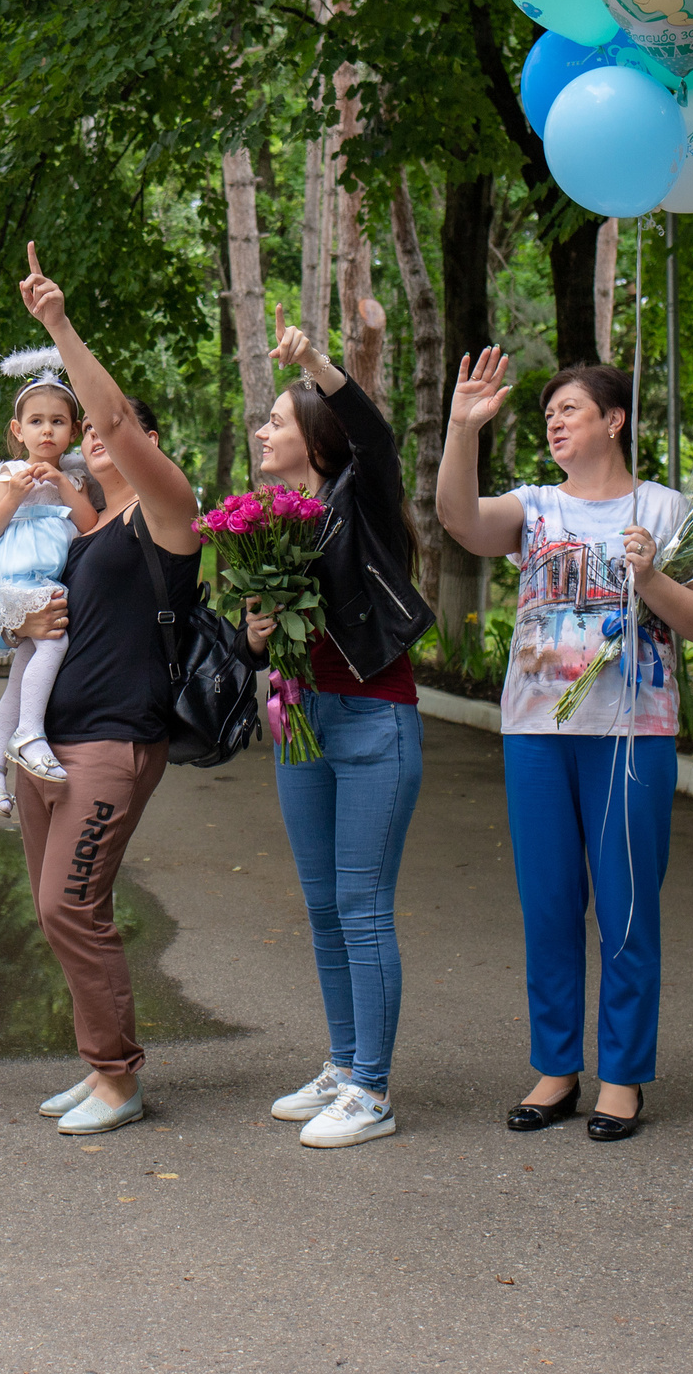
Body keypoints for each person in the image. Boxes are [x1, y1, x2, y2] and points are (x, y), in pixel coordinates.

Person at [435, 349, 693, 1142]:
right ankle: (556, 1068)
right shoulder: (533, 508)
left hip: (633, 734)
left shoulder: (666, 512)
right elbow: (459, 520)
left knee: (628, 908)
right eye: (547, 415)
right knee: (550, 906)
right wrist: (463, 430)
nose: (555, 423)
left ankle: (623, 1076)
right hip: (538, 731)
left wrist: (653, 580)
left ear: (614, 418)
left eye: (570, 408)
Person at [5, 243, 201, 1136]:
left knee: (68, 902)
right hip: (50, 740)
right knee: (61, 912)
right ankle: (98, 1065)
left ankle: (121, 1079)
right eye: (83, 433)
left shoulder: (167, 513)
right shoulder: (91, 531)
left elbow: (114, 414)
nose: (91, 436)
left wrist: (58, 323)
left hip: (116, 738)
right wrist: (25, 625)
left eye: (105, 430)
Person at [241, 306, 435, 1148]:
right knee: (322, 907)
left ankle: (374, 1090)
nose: (261, 428)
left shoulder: (360, 495)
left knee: (361, 906)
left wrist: (317, 361)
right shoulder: (271, 517)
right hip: (301, 721)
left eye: (276, 419)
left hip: (372, 721)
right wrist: (253, 633)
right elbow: (273, 627)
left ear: (316, 438)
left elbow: (373, 433)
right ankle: (344, 1060)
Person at [0, 348, 99, 816]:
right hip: (11, 579)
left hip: (42, 582)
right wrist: (12, 496)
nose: (46, 430)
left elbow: (90, 526)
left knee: (24, 668)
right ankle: (30, 732)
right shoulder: (8, 474)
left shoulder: (74, 478)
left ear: (73, 429)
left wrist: (66, 486)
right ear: (18, 430)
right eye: (36, 421)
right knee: (52, 644)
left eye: (57, 421)